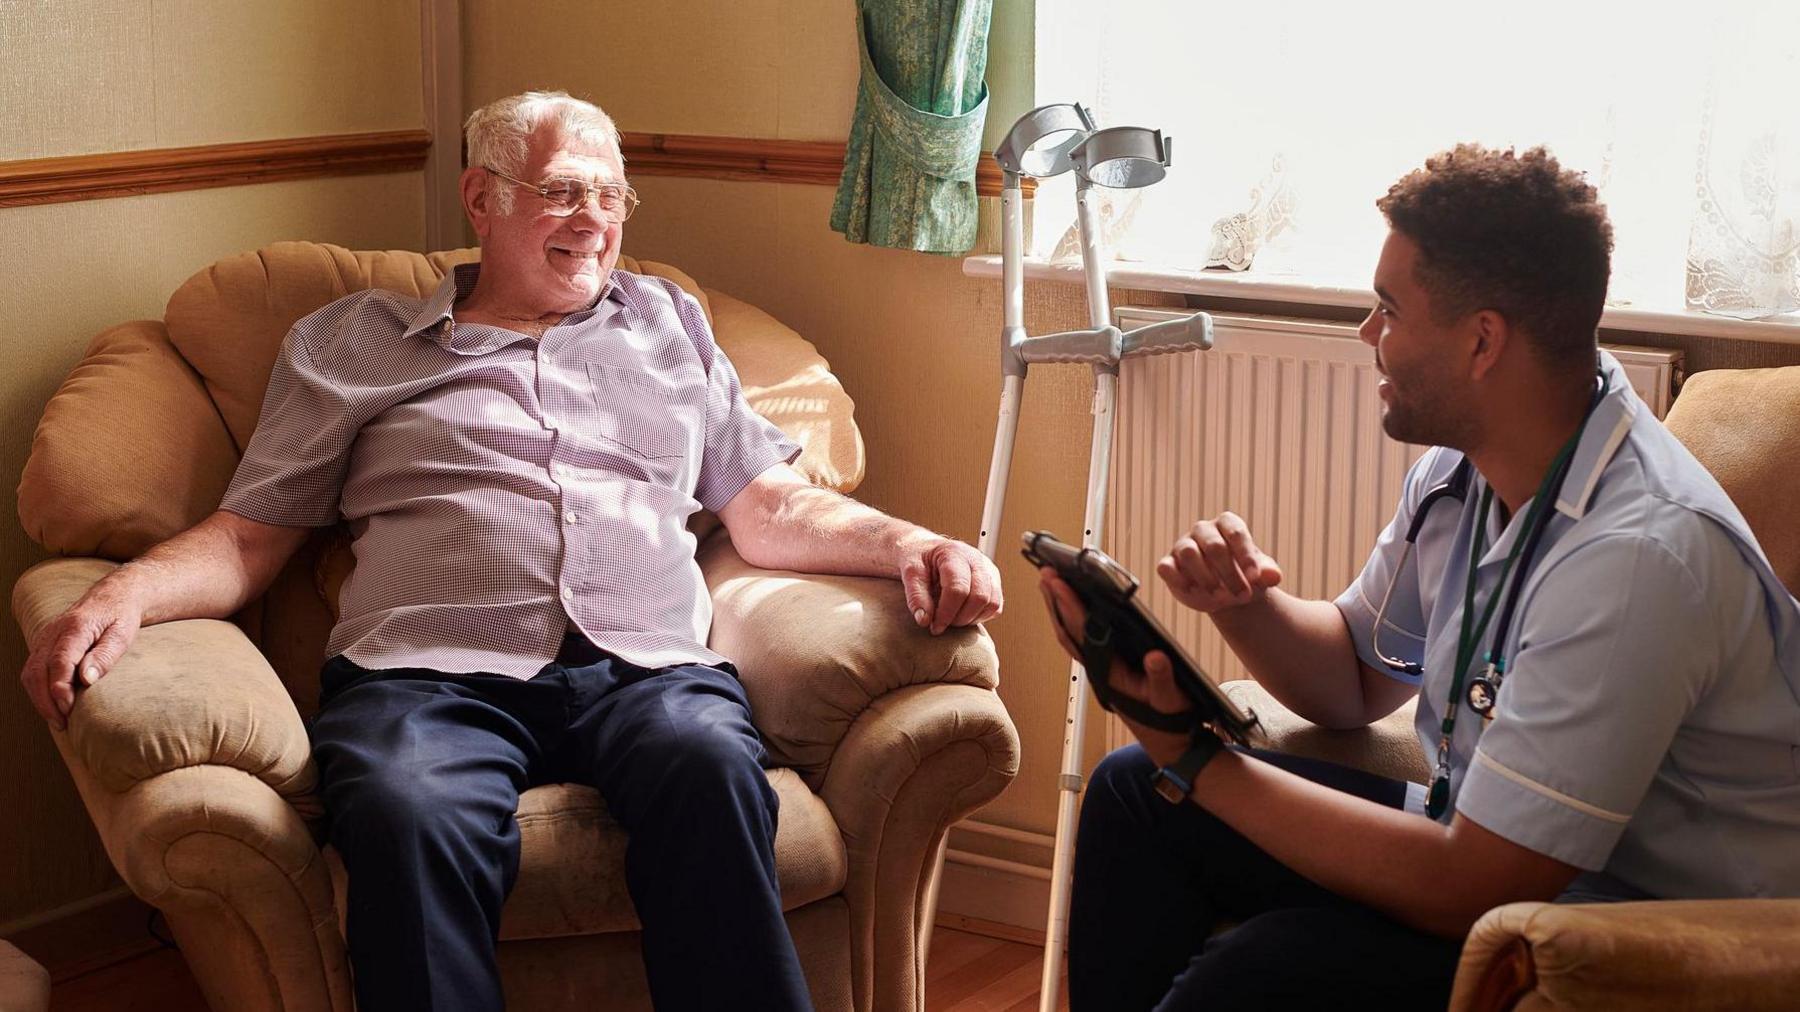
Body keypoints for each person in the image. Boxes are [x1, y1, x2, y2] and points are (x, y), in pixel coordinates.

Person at [19, 90, 1003, 1011]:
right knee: (407, 813)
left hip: (648, 669)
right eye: (563, 190)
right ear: (480, 198)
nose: (595, 219)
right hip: (425, 678)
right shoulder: (355, 342)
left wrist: (911, 543)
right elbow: (248, 535)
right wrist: (130, 595)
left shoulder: (667, 326)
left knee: (708, 768)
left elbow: (769, 503)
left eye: (612, 195)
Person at [1040, 144, 1800, 1010]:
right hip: (1491, 852)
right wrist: (1247, 608)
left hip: (1637, 931)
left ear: (1483, 341)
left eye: (1389, 310)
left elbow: (1471, 884)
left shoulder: (1639, 558)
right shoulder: (1465, 472)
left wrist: (1201, 760)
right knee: (1136, 795)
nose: (1368, 335)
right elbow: (1356, 679)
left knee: (1261, 971)